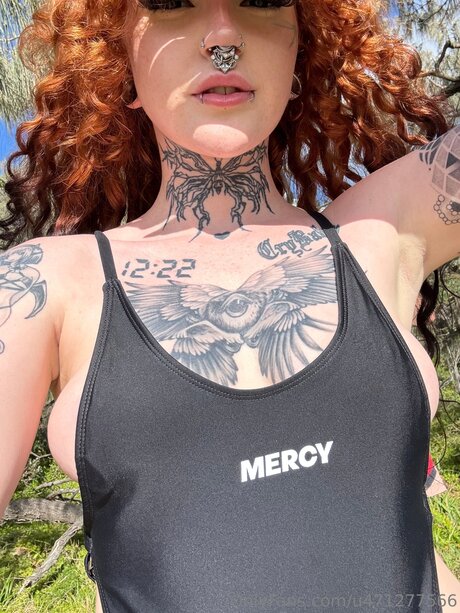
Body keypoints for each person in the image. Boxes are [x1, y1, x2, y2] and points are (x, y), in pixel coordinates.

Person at [0, 0, 459, 611]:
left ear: (300, 55)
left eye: (262, 1)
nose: (223, 36)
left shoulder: (379, 233)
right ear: (121, 63)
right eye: (170, 4)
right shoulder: (42, 284)